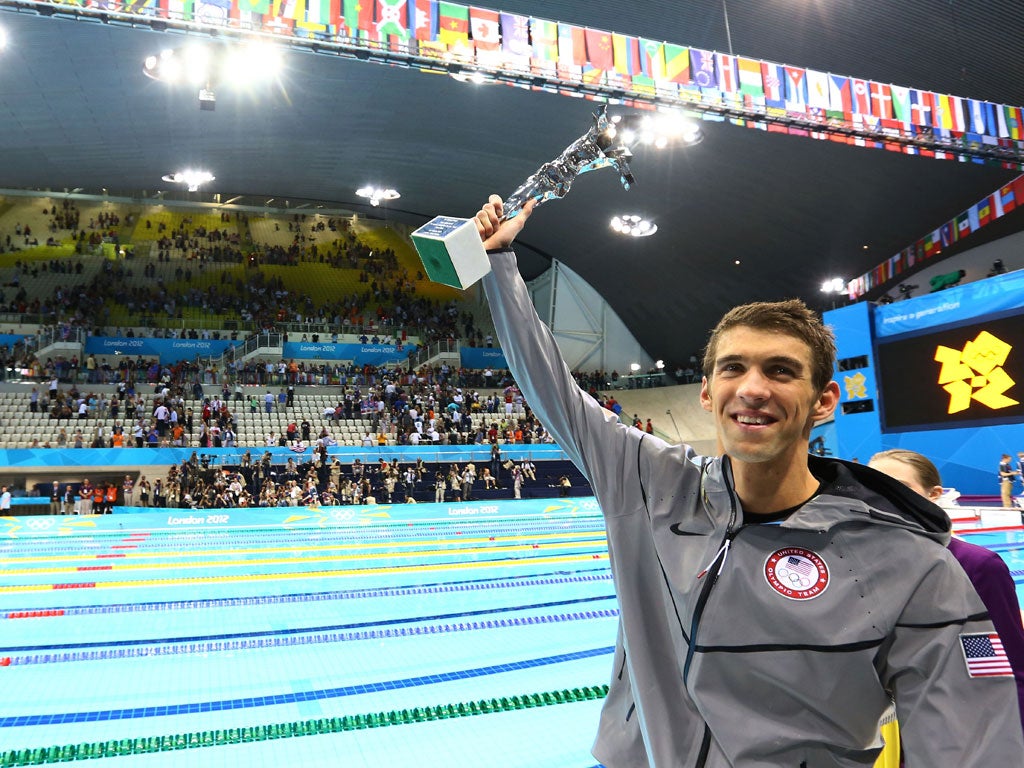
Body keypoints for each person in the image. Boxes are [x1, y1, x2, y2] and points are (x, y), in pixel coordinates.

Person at [472, 194, 1024, 766]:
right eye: (733, 368)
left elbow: (971, 744)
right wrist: (501, 264)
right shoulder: (651, 484)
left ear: (824, 401)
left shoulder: (909, 562)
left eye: (781, 371)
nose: (753, 388)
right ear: (707, 394)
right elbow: (554, 392)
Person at [868, 448, 1024, 735]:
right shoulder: (858, 567)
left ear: (934, 494)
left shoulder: (976, 566)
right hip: (881, 730)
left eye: (900, 487)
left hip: (958, 729)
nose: (885, 498)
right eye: (874, 487)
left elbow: (1009, 664)